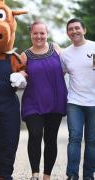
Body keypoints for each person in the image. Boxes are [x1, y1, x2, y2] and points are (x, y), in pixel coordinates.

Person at [21, 20, 67, 180]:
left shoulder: (56, 49)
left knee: (50, 138)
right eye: (35, 33)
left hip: (55, 100)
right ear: (31, 34)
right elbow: (16, 77)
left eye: (42, 33)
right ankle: (35, 174)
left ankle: (46, 175)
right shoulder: (25, 55)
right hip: (33, 102)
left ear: (47, 34)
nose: (39, 36)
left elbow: (69, 67)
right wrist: (19, 75)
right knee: (34, 135)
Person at [60, 18, 95, 180]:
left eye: (77, 28)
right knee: (74, 138)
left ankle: (88, 175)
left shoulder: (94, 47)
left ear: (84, 30)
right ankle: (72, 175)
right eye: (70, 29)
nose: (74, 31)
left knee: (92, 141)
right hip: (74, 102)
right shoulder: (66, 54)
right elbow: (58, 75)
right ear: (68, 34)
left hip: (94, 102)